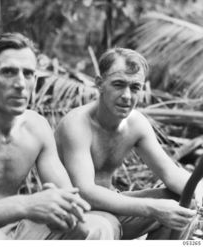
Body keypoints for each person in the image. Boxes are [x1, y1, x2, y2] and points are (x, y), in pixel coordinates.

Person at [0, 32, 115, 240]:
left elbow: (68, 198)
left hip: (15, 230)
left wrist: (63, 213)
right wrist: (27, 204)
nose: (21, 84)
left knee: (97, 228)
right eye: (8, 72)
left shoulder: (36, 127)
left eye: (28, 74)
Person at [54, 47, 203, 240]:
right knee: (105, 225)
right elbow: (85, 192)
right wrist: (152, 208)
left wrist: (200, 194)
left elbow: (170, 173)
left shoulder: (136, 124)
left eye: (134, 87)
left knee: (184, 204)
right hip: (74, 213)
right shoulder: (76, 125)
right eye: (118, 84)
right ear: (100, 84)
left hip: (113, 207)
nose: (127, 96)